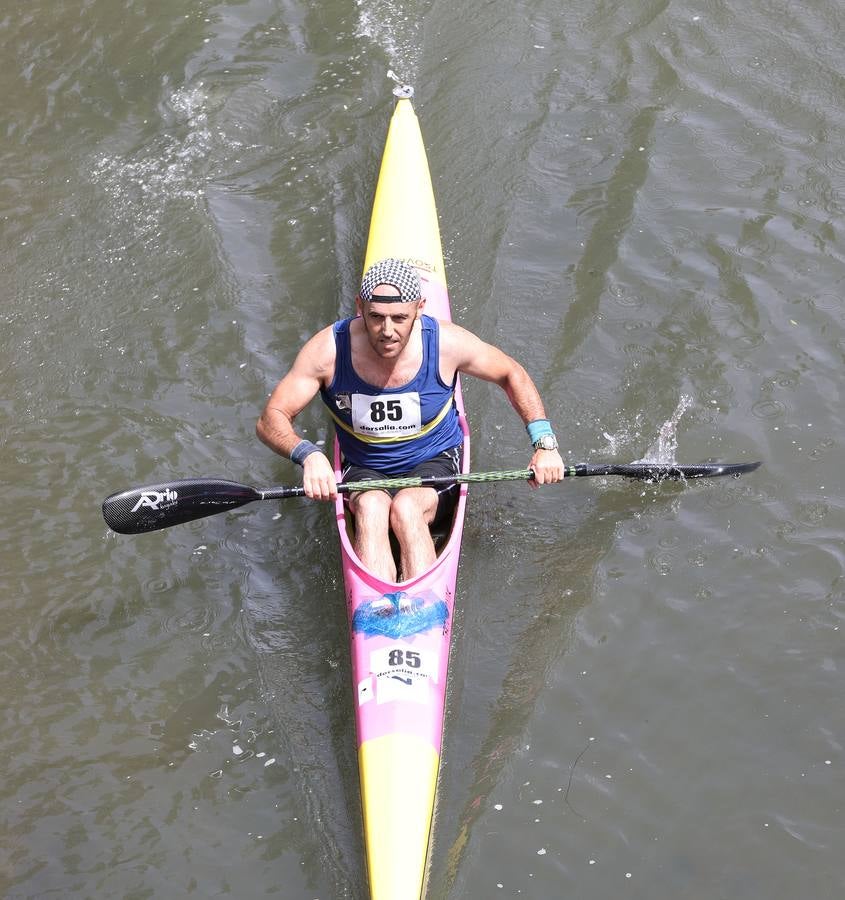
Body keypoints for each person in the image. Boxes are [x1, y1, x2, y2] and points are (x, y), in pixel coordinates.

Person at [257, 258, 564, 581]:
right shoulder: (327, 352)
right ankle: (379, 611)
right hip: (364, 464)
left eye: (400, 318)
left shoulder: (447, 343)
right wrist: (309, 455)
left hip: (436, 458)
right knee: (372, 509)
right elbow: (270, 419)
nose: (387, 331)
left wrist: (544, 444)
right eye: (375, 317)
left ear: (419, 308)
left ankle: (422, 612)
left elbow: (511, 373)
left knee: (406, 509)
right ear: (359, 306)